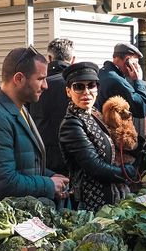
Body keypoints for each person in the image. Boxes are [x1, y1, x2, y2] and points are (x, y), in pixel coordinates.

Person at [0, 47, 69, 215]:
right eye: (41, 79)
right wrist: (49, 185)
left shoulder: (18, 108)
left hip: (16, 218)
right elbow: (4, 183)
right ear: (19, 79)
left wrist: (52, 175)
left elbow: (26, 164)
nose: (46, 85)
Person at [58, 62, 135, 212]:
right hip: (90, 204)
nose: (86, 92)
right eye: (79, 87)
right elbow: (94, 166)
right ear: (69, 91)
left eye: (91, 85)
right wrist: (125, 172)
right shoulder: (72, 124)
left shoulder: (95, 114)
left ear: (97, 89)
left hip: (111, 199)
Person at [29, 38, 76, 174]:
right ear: (73, 60)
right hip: (73, 153)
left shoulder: (35, 84)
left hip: (40, 153)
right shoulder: (80, 86)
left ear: (49, 58)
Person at [95, 43, 146, 120]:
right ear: (128, 61)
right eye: (136, 62)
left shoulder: (101, 73)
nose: (138, 66)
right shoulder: (117, 81)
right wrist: (139, 80)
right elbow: (141, 109)